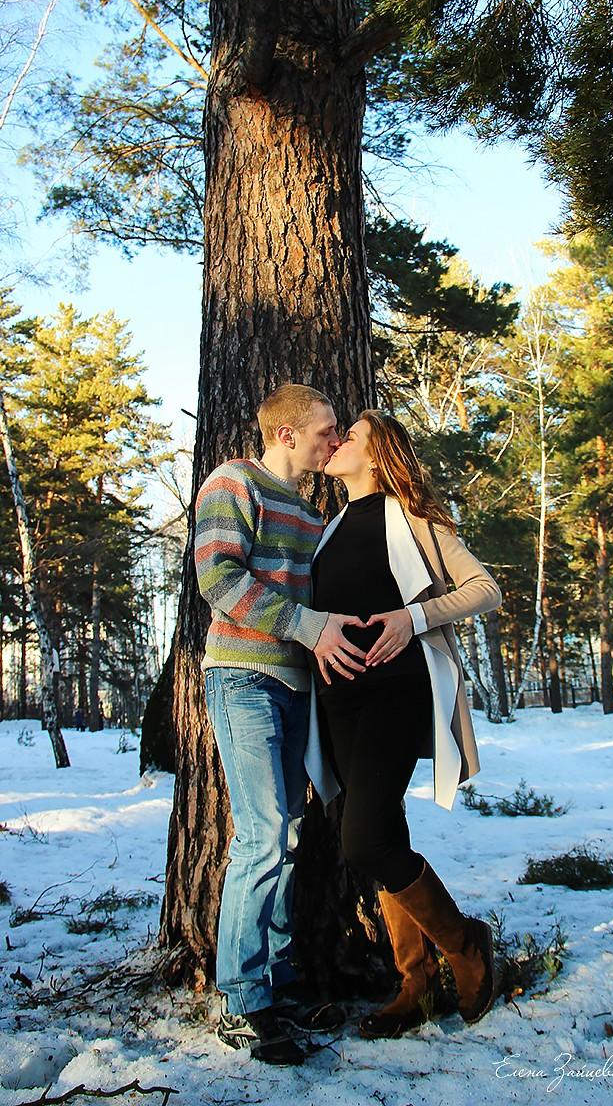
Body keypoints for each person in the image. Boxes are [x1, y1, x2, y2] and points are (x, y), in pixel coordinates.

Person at [304, 409, 502, 1039]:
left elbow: (484, 588)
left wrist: (413, 618)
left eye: (350, 436)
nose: (337, 443)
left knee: (364, 842)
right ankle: (414, 983)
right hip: (340, 699)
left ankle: (465, 944)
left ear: (377, 453)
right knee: (382, 832)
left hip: (397, 690)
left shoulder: (415, 519)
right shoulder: (329, 527)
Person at [194, 383, 365, 1065]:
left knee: (289, 834)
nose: (335, 441)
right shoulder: (233, 481)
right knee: (263, 836)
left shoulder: (312, 513)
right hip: (243, 677)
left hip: (297, 688)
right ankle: (241, 1001)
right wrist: (306, 625)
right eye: (326, 430)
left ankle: (275, 978)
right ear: (287, 435)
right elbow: (218, 579)